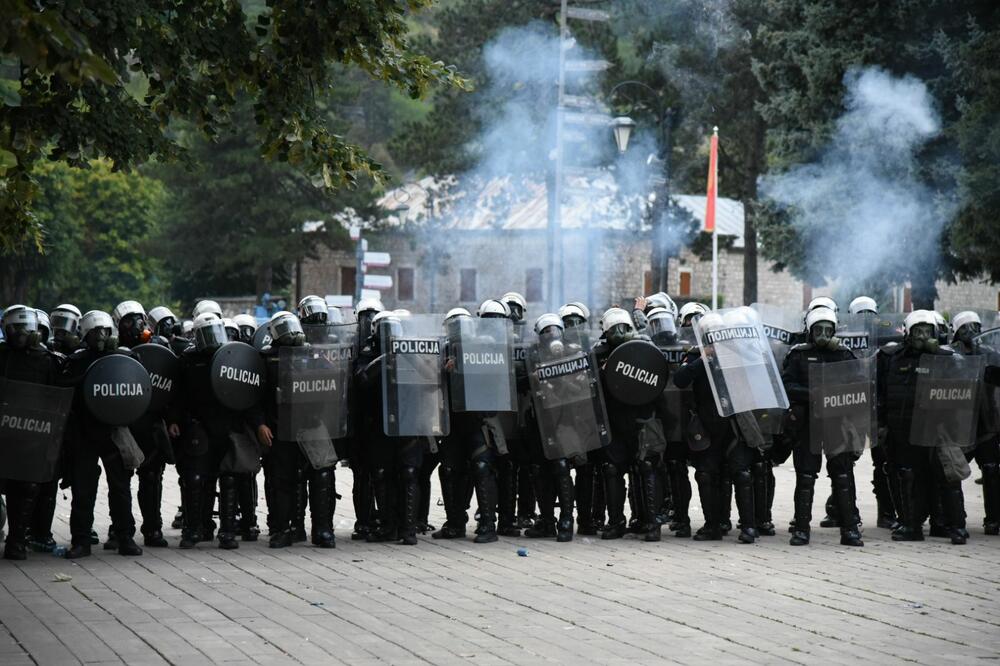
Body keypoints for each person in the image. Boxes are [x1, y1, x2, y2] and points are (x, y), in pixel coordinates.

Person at [879, 310, 969, 544]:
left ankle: (954, 526)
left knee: (948, 476)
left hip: (938, 428)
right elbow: (883, 392)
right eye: (917, 331)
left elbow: (962, 385)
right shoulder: (895, 358)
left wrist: (939, 354)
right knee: (909, 476)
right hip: (904, 429)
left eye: (927, 332)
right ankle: (911, 525)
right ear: (908, 333)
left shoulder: (946, 357)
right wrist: (882, 424)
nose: (922, 336)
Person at [251, 310, 337, 548]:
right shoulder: (266, 358)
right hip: (281, 426)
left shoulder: (312, 353)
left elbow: (333, 383)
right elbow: (255, 395)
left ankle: (322, 530)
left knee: (322, 475)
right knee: (283, 479)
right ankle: (284, 529)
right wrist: (260, 423)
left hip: (311, 423)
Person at [780, 306, 864, 546]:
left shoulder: (844, 354)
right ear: (809, 330)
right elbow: (787, 386)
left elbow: (859, 386)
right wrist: (813, 394)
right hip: (807, 423)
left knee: (842, 475)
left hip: (837, 423)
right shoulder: (798, 354)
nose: (824, 334)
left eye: (828, 330)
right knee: (805, 476)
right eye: (819, 329)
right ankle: (801, 529)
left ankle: (849, 530)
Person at [673, 310, 758, 544]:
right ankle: (712, 525)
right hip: (707, 425)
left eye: (717, 335)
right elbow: (680, 379)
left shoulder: (737, 353)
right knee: (706, 475)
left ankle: (749, 526)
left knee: (741, 474)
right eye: (709, 336)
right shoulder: (694, 356)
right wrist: (704, 359)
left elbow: (756, 371)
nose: (714, 340)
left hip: (734, 424)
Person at [64, 310, 144, 558]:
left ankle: (125, 537)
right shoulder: (76, 361)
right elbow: (65, 393)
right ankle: (81, 541)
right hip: (85, 433)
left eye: (106, 331)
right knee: (83, 489)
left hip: (114, 433)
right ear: (85, 335)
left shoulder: (122, 359)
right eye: (96, 332)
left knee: (120, 488)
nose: (102, 336)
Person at [168, 314, 250, 549]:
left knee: (227, 478)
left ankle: (227, 532)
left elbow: (245, 389)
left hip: (226, 425)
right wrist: (174, 419)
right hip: (197, 425)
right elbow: (178, 393)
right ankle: (194, 528)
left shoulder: (230, 354)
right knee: (195, 479)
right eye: (208, 332)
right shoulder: (188, 359)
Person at [0, 305, 65, 560]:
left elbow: (57, 399)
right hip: (3, 431)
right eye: (16, 328)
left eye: (25, 328)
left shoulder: (46, 359)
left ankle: (18, 540)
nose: (21, 333)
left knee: (25, 488)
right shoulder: (2, 355)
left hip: (31, 433)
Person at [593, 307, 662, 541]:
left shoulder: (645, 348)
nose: (619, 333)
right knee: (612, 470)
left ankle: (651, 523)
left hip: (643, 421)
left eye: (623, 328)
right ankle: (616, 522)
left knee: (645, 468)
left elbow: (659, 381)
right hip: (614, 421)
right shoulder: (599, 353)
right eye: (614, 330)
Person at [112, 300, 171, 548]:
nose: (136, 324)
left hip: (151, 423)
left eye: (139, 318)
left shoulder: (159, 348)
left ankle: (153, 528)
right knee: (119, 482)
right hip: (123, 424)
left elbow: (172, 384)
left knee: (152, 479)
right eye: (129, 320)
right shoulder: (114, 350)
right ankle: (120, 530)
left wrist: (173, 418)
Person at [951, 311, 1000, 535]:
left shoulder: (991, 355)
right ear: (956, 332)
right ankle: (955, 520)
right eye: (965, 327)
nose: (971, 332)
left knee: (991, 470)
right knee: (952, 473)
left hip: (986, 424)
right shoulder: (950, 357)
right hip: (959, 426)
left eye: (974, 326)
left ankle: (993, 519)